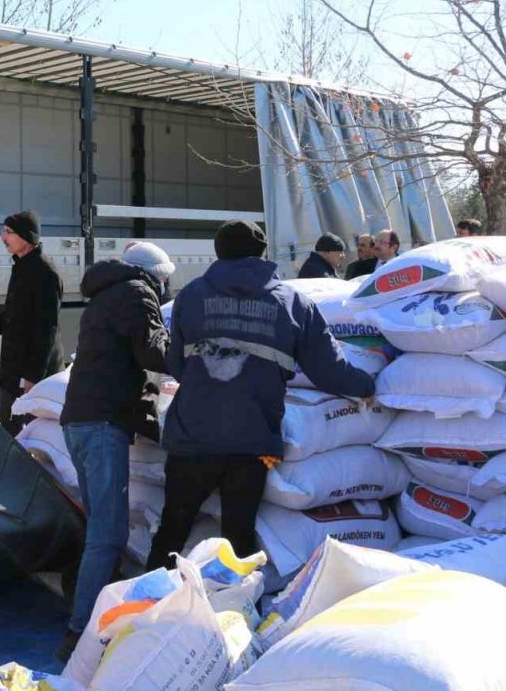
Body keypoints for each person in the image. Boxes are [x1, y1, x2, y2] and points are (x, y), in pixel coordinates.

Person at [146, 220, 375, 567]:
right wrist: (368, 386)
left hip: (192, 437)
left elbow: (176, 364)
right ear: (262, 253)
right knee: (238, 536)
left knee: (173, 531)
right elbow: (328, 370)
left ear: (218, 252)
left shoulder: (192, 295)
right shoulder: (293, 303)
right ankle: (232, 611)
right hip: (252, 443)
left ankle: (149, 609)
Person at [55, 242, 173, 662]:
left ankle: (90, 615)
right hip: (103, 423)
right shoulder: (137, 294)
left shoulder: (104, 295)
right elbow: (153, 351)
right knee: (109, 534)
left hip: (81, 420)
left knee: (99, 529)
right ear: (155, 274)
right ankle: (80, 634)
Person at [0, 210, 64, 436]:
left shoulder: (45, 272)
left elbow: (46, 328)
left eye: (8, 232)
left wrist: (34, 377)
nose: (2, 238)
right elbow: (16, 311)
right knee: (10, 423)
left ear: (26, 236)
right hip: (16, 366)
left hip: (32, 369)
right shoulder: (22, 266)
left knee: (26, 429)